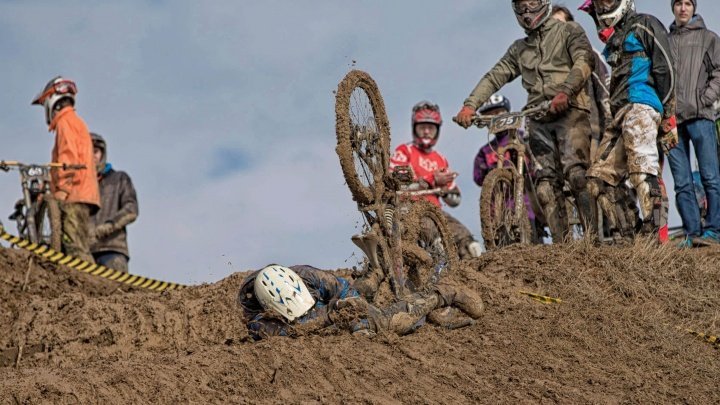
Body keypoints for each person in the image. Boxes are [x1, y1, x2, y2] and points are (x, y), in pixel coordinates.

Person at [456, 0, 597, 243]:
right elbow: (495, 76)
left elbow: (585, 61)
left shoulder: (568, 31)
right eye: (521, 7)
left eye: (532, 3)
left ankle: (593, 240)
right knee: (544, 187)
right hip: (538, 116)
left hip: (570, 111)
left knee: (576, 175)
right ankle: (564, 248)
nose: (527, 11)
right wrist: (470, 105)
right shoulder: (520, 49)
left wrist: (566, 91)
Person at [579, 0, 678, 244]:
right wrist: (595, 15)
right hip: (620, 112)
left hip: (642, 103)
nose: (603, 8)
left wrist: (669, 116)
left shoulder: (645, 23)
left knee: (643, 170)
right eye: (599, 4)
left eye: (607, 2)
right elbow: (605, 35)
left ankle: (656, 236)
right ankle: (631, 236)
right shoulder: (616, 38)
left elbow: (666, 67)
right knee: (598, 180)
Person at [237, 264, 484, 340]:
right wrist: (331, 314)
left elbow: (344, 291)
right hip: (325, 319)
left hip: (334, 306)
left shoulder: (308, 276)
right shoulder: (257, 321)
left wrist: (357, 320)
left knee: (389, 323)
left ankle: (445, 293)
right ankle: (373, 276)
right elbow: (290, 331)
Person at [390, 101, 483, 259]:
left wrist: (445, 191)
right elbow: (394, 184)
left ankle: (470, 272)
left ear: (437, 130)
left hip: (436, 212)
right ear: (414, 128)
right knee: (436, 241)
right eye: (422, 128)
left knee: (469, 244)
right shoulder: (404, 151)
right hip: (409, 208)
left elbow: (456, 200)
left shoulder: (440, 159)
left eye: (431, 128)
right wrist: (431, 179)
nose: (426, 132)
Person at [667, 0, 720, 247]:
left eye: (688, 3)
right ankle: (692, 232)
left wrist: (705, 99)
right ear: (673, 7)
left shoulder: (709, 38)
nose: (683, 8)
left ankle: (714, 230)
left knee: (710, 176)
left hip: (701, 118)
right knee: (681, 181)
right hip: (672, 121)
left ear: (693, 7)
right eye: (678, 3)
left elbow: (718, 72)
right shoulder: (666, 41)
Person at [31, 76, 100, 263]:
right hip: (83, 191)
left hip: (74, 192)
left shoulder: (65, 122)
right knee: (76, 244)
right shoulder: (76, 121)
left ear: (51, 101)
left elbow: (68, 157)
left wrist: (62, 188)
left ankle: (89, 281)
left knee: (75, 246)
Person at [472, 94, 543, 243]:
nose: (495, 117)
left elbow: (539, 167)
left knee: (534, 245)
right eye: (490, 114)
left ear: (507, 113)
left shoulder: (524, 139)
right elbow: (478, 177)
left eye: (499, 112)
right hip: (497, 212)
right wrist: (488, 172)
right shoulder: (485, 150)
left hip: (527, 206)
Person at [90, 133, 139, 272]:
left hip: (112, 248)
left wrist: (109, 225)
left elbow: (131, 209)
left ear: (102, 154)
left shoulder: (119, 179)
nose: (92, 155)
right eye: (88, 151)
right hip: (85, 251)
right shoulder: (77, 185)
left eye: (95, 151)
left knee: (115, 284)